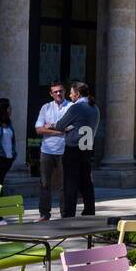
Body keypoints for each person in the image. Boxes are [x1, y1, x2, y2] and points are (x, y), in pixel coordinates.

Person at [54, 82, 99, 219]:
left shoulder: (76, 108)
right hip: (87, 147)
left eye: (71, 92)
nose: (69, 95)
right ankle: (89, 211)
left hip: (73, 147)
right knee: (86, 181)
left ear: (78, 94)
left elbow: (60, 125)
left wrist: (68, 127)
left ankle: (69, 214)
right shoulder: (94, 107)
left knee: (70, 183)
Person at [34, 82, 68, 220]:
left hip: (64, 150)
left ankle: (65, 214)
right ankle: (44, 214)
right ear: (51, 94)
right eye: (55, 92)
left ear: (64, 91)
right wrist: (59, 131)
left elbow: (70, 128)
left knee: (64, 184)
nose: (58, 94)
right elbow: (38, 129)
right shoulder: (46, 108)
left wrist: (51, 127)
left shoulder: (71, 107)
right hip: (47, 150)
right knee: (44, 183)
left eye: (60, 91)